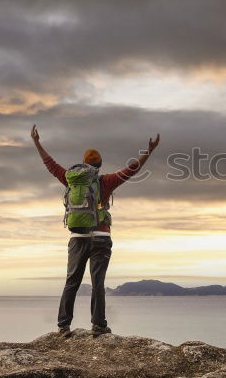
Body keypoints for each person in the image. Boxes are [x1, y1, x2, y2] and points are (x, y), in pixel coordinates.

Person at [30, 124, 159, 336]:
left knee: (72, 281)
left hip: (77, 237)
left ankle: (63, 326)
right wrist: (149, 151)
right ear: (99, 165)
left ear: (83, 165)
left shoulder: (70, 179)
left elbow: (50, 165)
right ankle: (98, 326)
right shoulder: (106, 181)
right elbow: (132, 170)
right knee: (97, 282)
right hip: (101, 237)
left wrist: (36, 142)